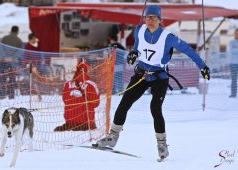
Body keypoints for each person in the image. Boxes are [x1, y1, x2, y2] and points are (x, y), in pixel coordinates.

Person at [95, 5, 210, 160]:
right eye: (148, 17)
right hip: (141, 74)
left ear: (160, 20)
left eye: (154, 18)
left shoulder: (167, 37)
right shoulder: (139, 30)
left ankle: (162, 146)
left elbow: (188, 50)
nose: (150, 20)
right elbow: (137, 48)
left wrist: (203, 67)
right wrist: (133, 54)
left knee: (155, 108)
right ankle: (112, 137)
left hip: (159, 78)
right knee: (124, 102)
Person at [54, 60, 100, 131]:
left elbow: (65, 100)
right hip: (86, 125)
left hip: (70, 124)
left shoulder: (67, 84)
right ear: (87, 70)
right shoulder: (91, 85)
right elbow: (96, 104)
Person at [0, 25, 23, 99]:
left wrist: (4, 57)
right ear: (17, 31)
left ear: (11, 30)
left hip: (3, 61)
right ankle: (11, 95)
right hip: (13, 63)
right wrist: (13, 58)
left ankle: (2, 95)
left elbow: (0, 48)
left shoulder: (4, 38)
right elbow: (20, 51)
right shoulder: (19, 40)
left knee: (2, 78)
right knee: (12, 79)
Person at [229, 29, 238, 98]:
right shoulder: (231, 42)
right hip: (233, 63)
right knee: (234, 79)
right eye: (235, 33)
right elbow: (232, 51)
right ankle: (233, 94)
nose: (236, 35)